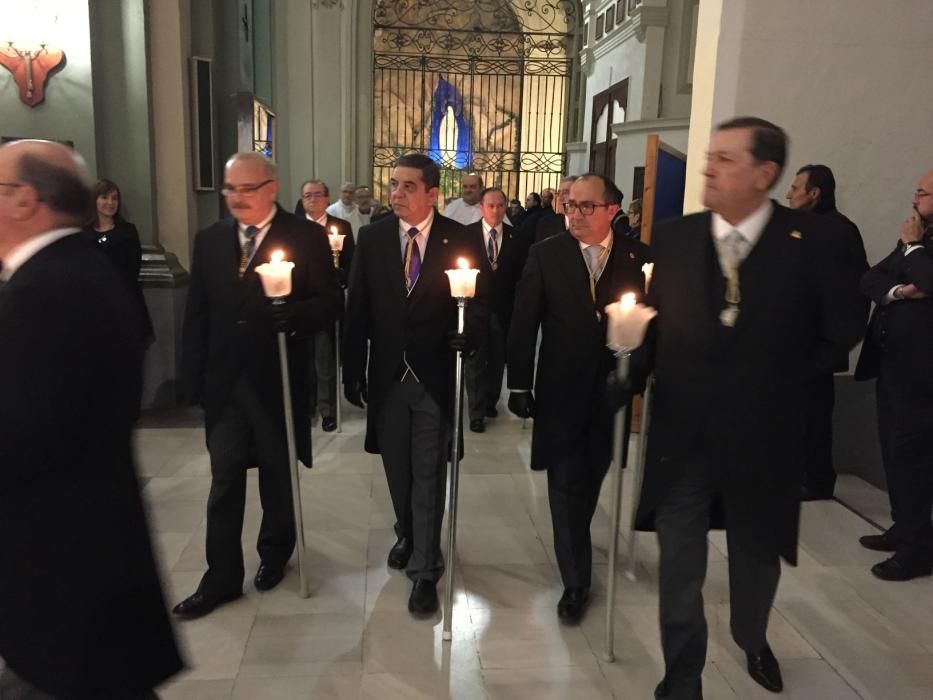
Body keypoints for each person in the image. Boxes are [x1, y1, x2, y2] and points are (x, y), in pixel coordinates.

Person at [627, 117, 864, 698]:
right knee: (679, 566)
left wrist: (780, 374)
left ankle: (752, 637)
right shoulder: (678, 237)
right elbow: (657, 327)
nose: (709, 167)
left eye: (726, 159)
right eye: (711, 156)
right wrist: (628, 371)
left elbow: (844, 328)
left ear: (765, 174)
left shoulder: (814, 242)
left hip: (764, 439)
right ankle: (682, 676)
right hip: (684, 440)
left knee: (755, 559)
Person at [0, 139, 183, 698]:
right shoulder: (80, 268)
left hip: (60, 572)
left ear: (24, 199)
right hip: (96, 561)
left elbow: (24, 438)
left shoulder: (43, 291)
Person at [175, 152, 340, 619]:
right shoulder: (210, 241)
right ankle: (221, 577)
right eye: (230, 190)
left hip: (277, 379)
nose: (236, 199)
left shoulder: (305, 237)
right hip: (225, 383)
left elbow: (329, 304)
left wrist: (296, 315)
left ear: (271, 187)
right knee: (224, 479)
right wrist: (193, 379)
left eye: (246, 189)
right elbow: (198, 314)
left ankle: (274, 554)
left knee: (277, 476)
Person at [343, 153, 490, 616]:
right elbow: (358, 311)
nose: (397, 194)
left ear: (432, 193)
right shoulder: (372, 239)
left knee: (428, 472)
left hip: (435, 374)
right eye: (393, 185)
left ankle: (425, 569)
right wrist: (352, 370)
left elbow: (483, 308)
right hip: (388, 377)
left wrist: (470, 335)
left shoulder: (460, 238)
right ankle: (409, 532)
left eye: (408, 186)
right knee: (398, 471)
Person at [506, 174, 649, 623]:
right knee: (565, 485)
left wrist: (634, 379)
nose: (575, 214)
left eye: (586, 206)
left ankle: (577, 539)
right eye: (571, 205)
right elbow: (524, 321)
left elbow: (652, 328)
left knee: (592, 476)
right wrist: (519, 383)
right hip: (560, 390)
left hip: (610, 392)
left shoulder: (637, 259)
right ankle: (576, 582)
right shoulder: (546, 254)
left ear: (612, 210)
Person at [855, 169, 933, 582]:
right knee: (894, 454)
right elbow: (869, 277)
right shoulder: (912, 241)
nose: (914, 197)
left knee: (914, 461)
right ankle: (905, 528)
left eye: (923, 191)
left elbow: (930, 279)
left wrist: (915, 249)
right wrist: (902, 290)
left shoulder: (916, 242)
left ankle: (917, 549)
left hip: (923, 374)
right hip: (893, 365)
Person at [786, 163, 870, 500]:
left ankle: (818, 480)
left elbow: (854, 288)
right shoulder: (793, 226)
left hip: (818, 345)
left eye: (796, 187)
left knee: (815, 415)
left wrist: (836, 342)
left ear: (815, 193)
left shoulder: (840, 231)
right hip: (791, 341)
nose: (789, 193)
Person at [464, 187, 529, 432]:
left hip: (505, 309)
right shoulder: (467, 236)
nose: (495, 210)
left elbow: (523, 275)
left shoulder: (517, 238)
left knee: (498, 359)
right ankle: (476, 411)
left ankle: (491, 400)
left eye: (500, 205)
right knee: (476, 360)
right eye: (490, 206)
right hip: (475, 308)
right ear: (481, 207)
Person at [296, 178, 356, 431]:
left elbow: (352, 263)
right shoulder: (294, 228)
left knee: (325, 360)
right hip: (300, 304)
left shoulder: (340, 226)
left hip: (328, 304)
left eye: (318, 194)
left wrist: (342, 274)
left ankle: (328, 409)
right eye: (307, 195)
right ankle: (306, 406)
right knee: (303, 359)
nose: (312, 199)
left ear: (327, 198)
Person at [82, 178, 154, 343]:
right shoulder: (83, 234)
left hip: (125, 305)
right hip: (92, 309)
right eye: (104, 198)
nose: (110, 202)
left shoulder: (128, 232)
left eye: (114, 198)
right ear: (94, 200)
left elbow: (132, 271)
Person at [535, 176, 576, 243]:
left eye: (566, 193)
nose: (560, 199)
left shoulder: (590, 223)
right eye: (559, 193)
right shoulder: (545, 223)